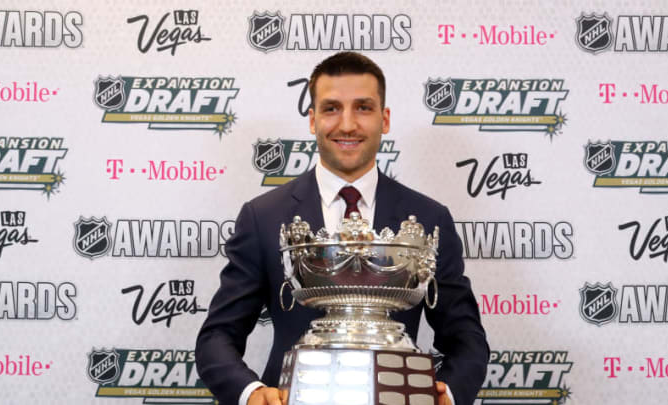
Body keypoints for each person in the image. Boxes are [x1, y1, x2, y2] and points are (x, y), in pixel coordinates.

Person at [196, 51, 489, 405]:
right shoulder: (263, 217)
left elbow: (466, 337)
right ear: (312, 119)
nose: (347, 125)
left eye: (363, 108)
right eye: (331, 108)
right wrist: (252, 394)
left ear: (385, 119)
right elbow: (217, 337)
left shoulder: (429, 218)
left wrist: (450, 393)